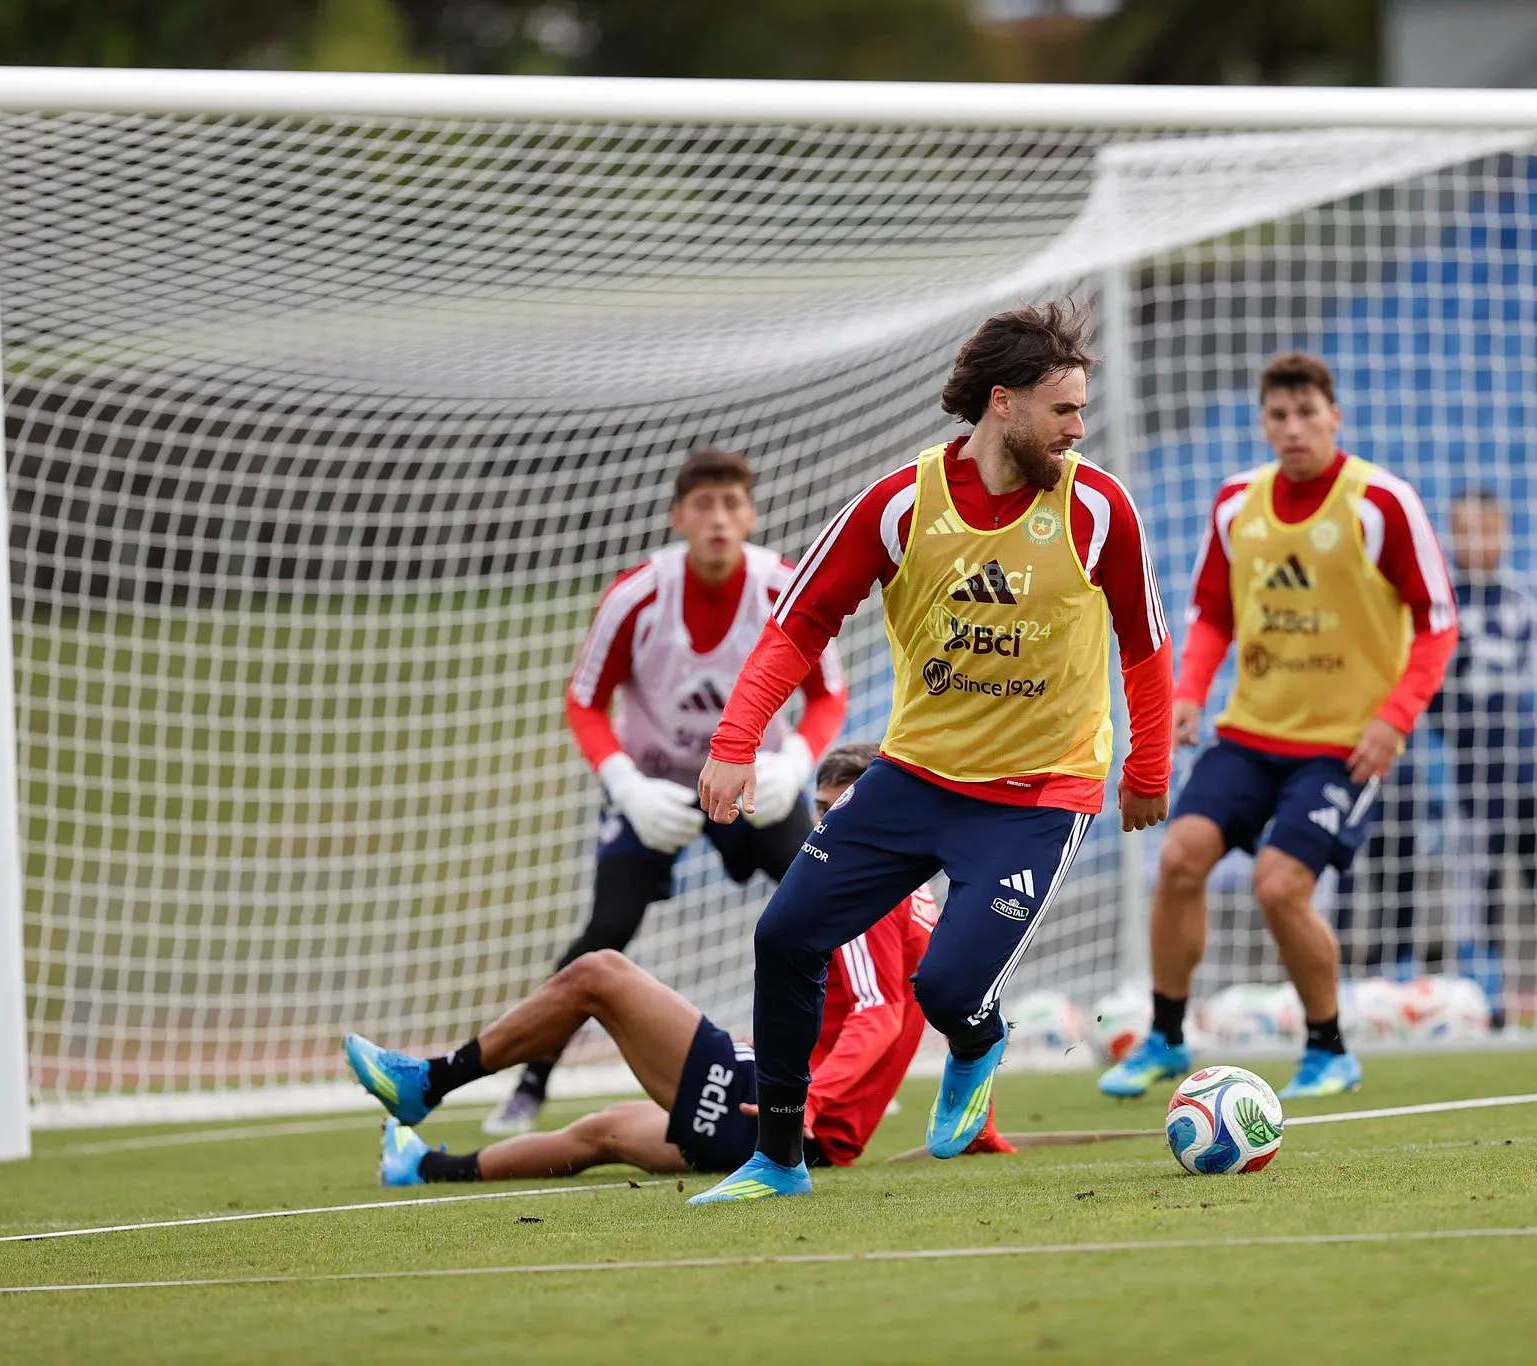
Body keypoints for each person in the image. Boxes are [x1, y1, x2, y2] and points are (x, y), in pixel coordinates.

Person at [686, 300, 1174, 1202]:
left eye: (1082, 411)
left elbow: (1144, 642)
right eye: (1063, 411)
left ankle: (978, 1041)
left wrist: (1147, 769)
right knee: (786, 935)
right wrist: (735, 742)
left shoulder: (1100, 507)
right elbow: (800, 621)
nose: (1078, 429)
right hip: (914, 777)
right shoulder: (902, 502)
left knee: (946, 987)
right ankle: (779, 1162)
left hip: (1038, 793)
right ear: (1004, 403)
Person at [343, 743, 1009, 1184]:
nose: (825, 826)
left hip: (779, 1111)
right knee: (604, 1130)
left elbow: (878, 1011)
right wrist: (976, 1118)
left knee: (599, 973)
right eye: (821, 811)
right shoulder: (918, 897)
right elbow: (949, 1009)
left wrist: (810, 1103)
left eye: (841, 811)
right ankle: (425, 1168)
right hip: (812, 1137)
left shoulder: (867, 891)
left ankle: (427, 1083)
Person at [1098, 351, 1458, 1101]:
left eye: (1306, 414)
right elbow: (1211, 614)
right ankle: (1165, 1037)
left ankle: (1330, 1049)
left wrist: (1394, 720)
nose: (1293, 429)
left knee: (1278, 887)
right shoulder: (1236, 505)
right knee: (1180, 859)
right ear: (1263, 423)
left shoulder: (1381, 503)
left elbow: (1438, 624)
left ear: (1335, 417)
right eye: (1279, 416)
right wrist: (1189, 692)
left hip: (1343, 748)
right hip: (1251, 734)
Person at [483, 446, 847, 1136]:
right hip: (655, 795)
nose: (719, 518)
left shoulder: (782, 586)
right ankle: (529, 1085)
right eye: (704, 504)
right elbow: (584, 701)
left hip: (751, 783)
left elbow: (828, 693)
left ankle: (833, 1077)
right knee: (605, 935)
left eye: (732, 503)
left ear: (752, 514)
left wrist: (795, 765)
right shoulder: (638, 594)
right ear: (679, 517)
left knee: (824, 907)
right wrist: (625, 785)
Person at [1433, 487, 1537, 1027]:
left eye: (1488, 529)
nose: (1479, 541)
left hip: (1519, 754)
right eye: (1466, 529)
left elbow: (1529, 685)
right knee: (1481, 871)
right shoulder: (1441, 599)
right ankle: (1483, 985)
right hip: (1466, 761)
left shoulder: (1522, 599)